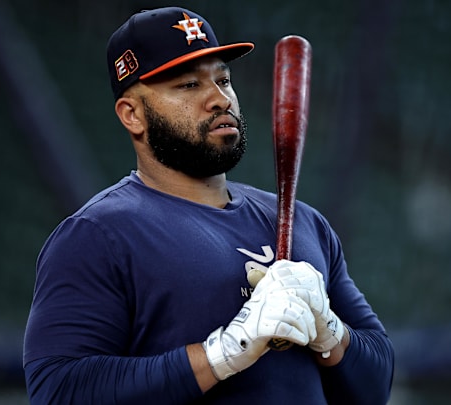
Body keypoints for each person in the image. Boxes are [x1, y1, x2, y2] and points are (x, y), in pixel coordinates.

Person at [23, 6, 394, 404]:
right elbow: (59, 391)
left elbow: (375, 385)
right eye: (188, 85)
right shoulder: (98, 235)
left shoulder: (304, 223)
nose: (219, 99)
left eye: (224, 79)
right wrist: (224, 351)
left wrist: (330, 332)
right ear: (132, 115)